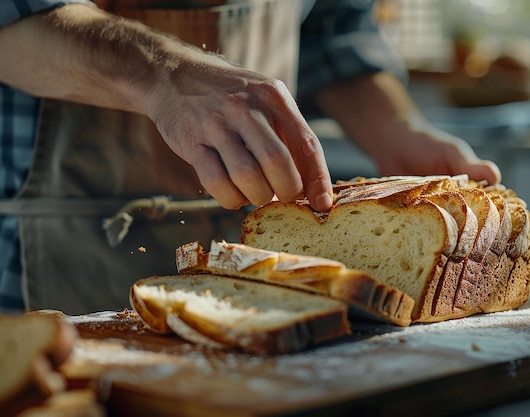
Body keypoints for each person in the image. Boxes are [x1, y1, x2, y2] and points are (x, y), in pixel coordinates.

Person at [0, 0, 500, 314]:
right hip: (45, 267)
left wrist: (398, 130)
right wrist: (166, 73)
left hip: (247, 241)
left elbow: (333, 30)